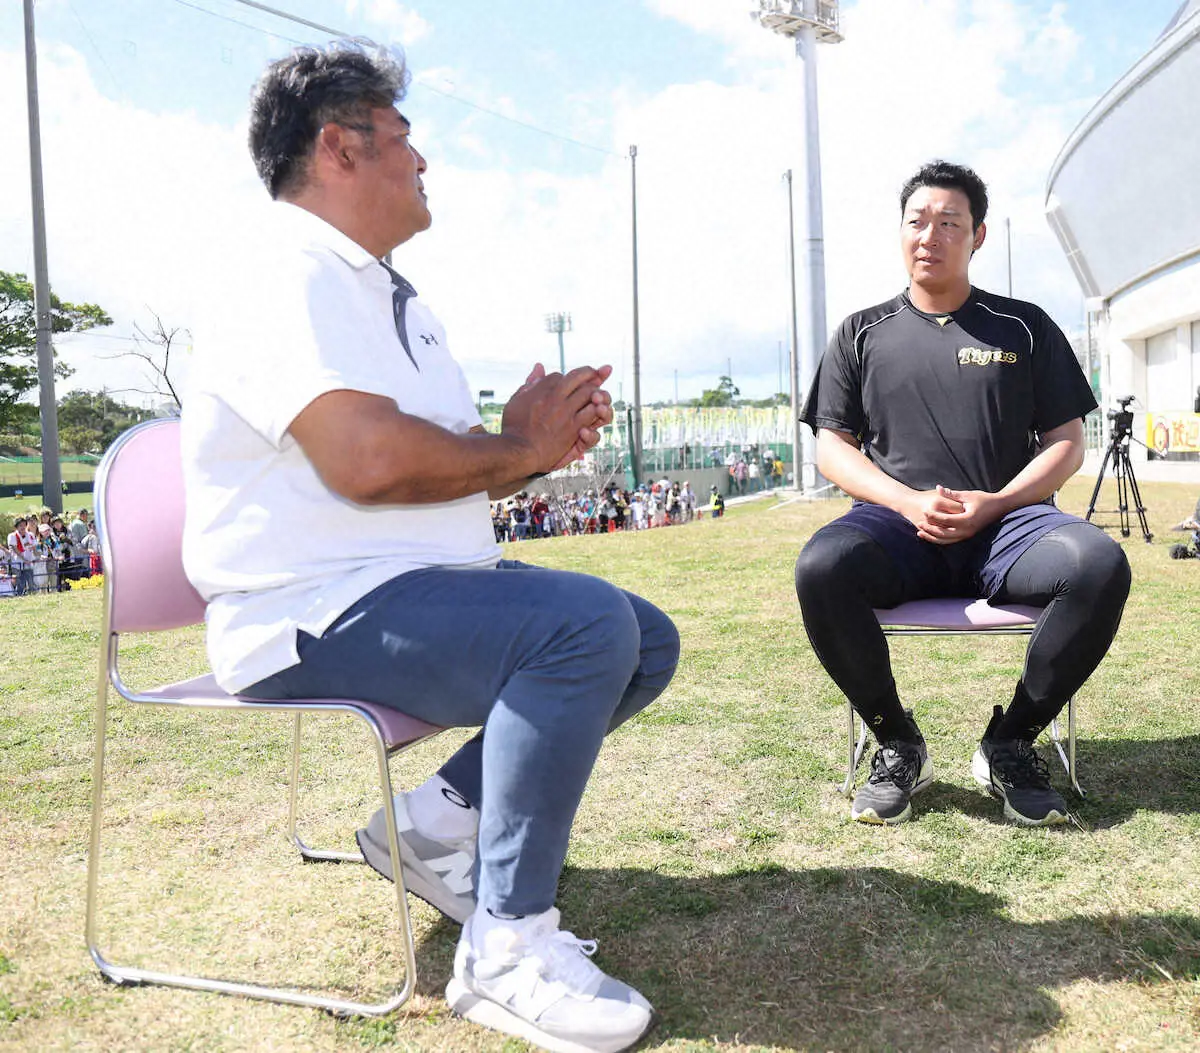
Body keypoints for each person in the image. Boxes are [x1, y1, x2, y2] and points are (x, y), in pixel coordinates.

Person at [181, 41, 678, 1053]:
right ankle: (505, 951)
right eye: (403, 139)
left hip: (396, 586)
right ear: (339, 147)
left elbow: (440, 467)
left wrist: (525, 451)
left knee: (642, 635)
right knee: (580, 628)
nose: (422, 162)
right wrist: (516, 445)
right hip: (307, 610)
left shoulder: (380, 292)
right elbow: (365, 462)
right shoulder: (280, 270)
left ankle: (432, 824)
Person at [794, 160, 1130, 829]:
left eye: (949, 223)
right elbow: (833, 446)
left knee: (1099, 565)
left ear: (976, 236)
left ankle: (1011, 741)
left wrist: (998, 501)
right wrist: (906, 502)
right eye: (917, 221)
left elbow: (1066, 439)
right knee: (821, 568)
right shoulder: (861, 332)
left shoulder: (1023, 326)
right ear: (901, 232)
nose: (930, 235)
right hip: (895, 530)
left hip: (1012, 528)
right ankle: (896, 740)